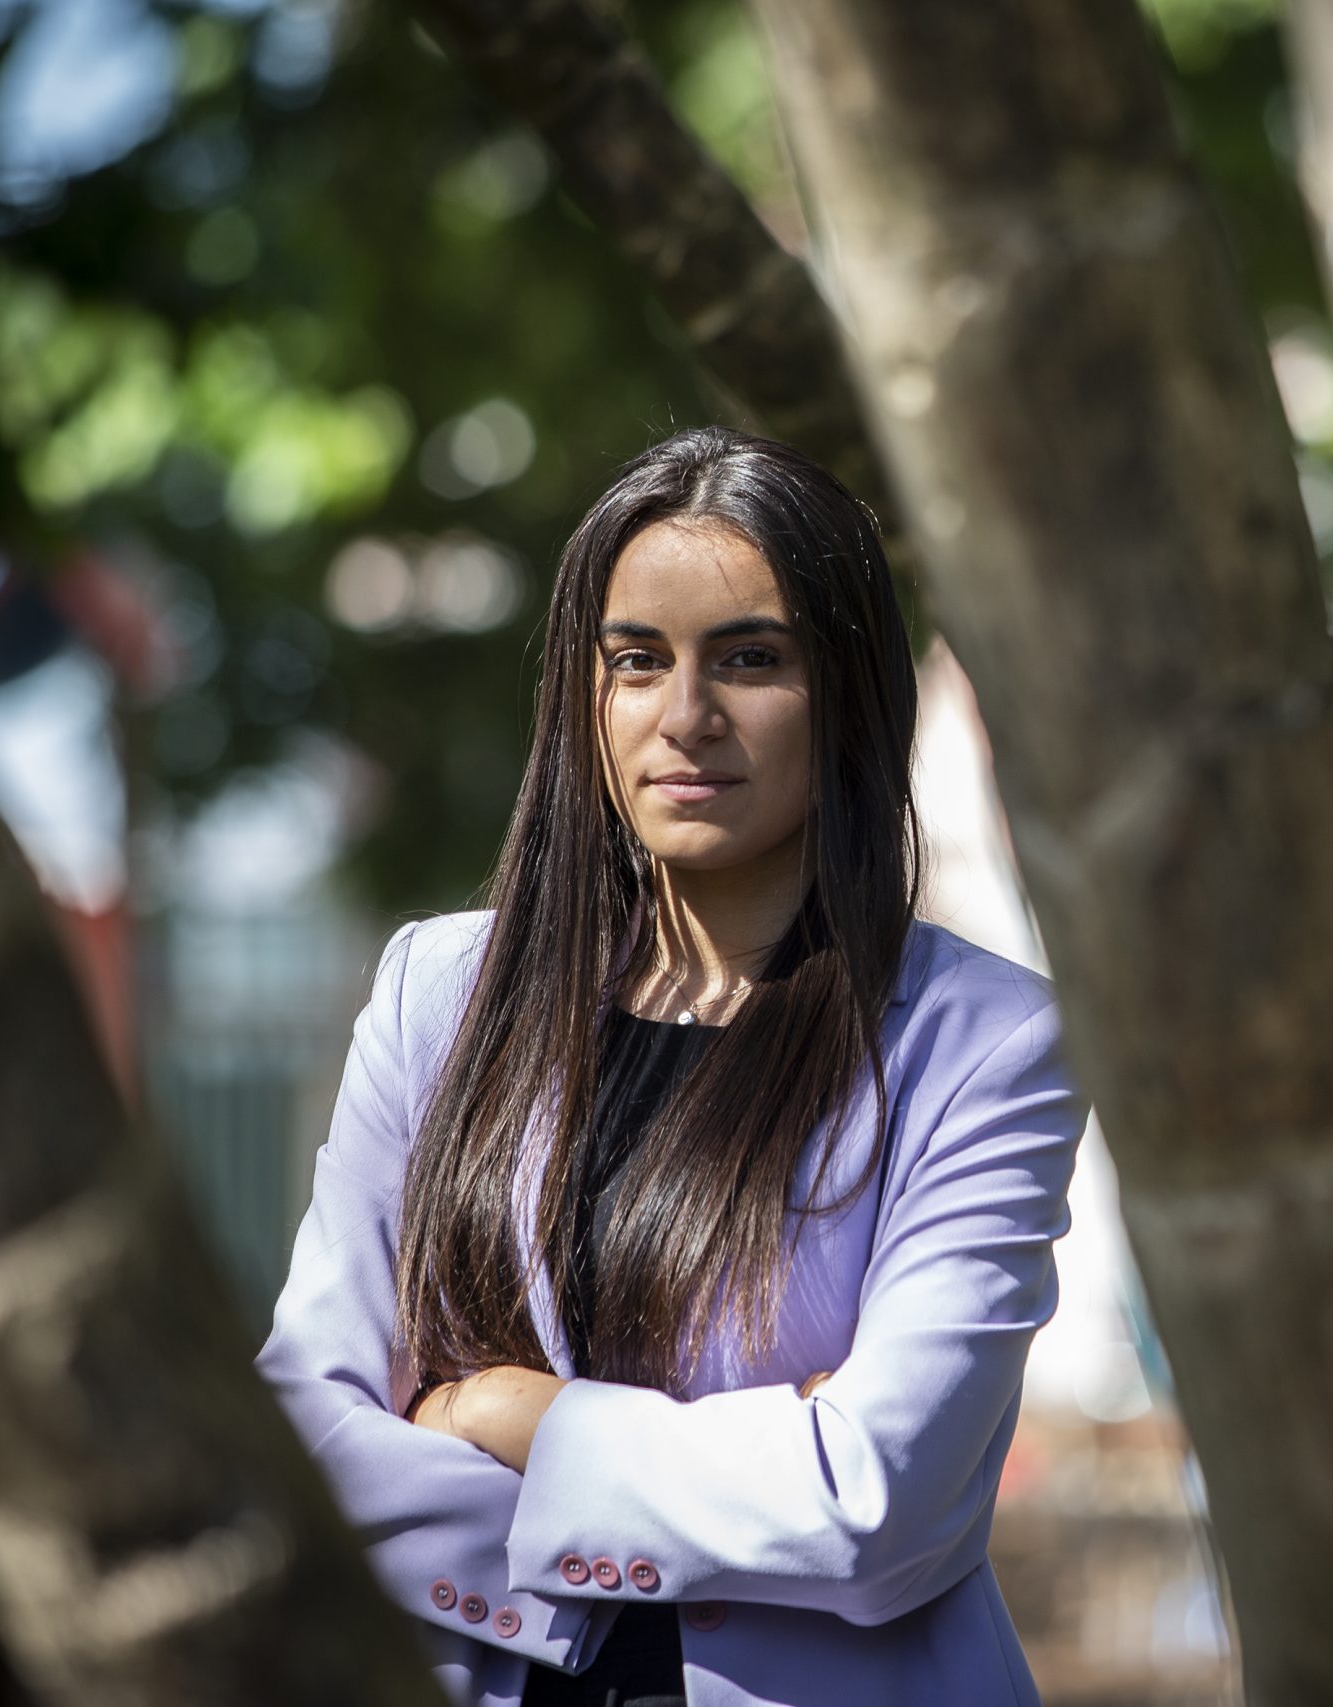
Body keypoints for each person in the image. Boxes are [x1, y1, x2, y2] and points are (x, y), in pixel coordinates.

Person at [255, 426, 1090, 1707]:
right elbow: (308, 1435)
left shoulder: (981, 1044)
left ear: (851, 690)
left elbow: (878, 1502)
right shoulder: (438, 993)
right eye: (636, 662)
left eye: (749, 660)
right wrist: (748, 1467)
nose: (684, 717)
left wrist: (505, 1418)